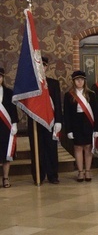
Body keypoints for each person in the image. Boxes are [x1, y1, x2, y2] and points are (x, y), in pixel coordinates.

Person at [28, 56, 63, 184]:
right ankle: (38, 175)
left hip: (50, 121)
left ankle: (53, 175)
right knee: (37, 149)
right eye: (39, 65)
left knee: (51, 149)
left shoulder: (53, 83)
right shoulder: (30, 85)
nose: (41, 67)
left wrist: (59, 121)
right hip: (35, 122)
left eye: (44, 65)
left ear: (46, 67)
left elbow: (58, 104)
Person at [64, 70, 97, 182]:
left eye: (82, 79)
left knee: (88, 147)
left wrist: (96, 128)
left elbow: (96, 113)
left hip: (88, 121)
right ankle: (80, 172)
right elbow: (67, 114)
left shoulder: (91, 94)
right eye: (77, 80)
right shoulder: (68, 95)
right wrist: (68, 130)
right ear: (74, 81)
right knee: (78, 147)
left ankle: (87, 171)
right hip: (76, 123)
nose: (80, 81)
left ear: (84, 81)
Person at [0, 68, 18, 188]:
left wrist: (15, 123)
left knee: (6, 152)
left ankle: (5, 178)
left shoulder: (8, 92)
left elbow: (12, 110)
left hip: (6, 127)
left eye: (0, 76)